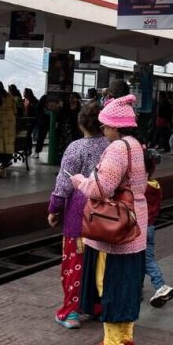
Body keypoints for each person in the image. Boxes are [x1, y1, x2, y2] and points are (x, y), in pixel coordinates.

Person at [72, 94, 147, 345]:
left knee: (111, 286)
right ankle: (126, 344)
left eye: (105, 126)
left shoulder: (117, 148)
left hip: (117, 231)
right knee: (127, 287)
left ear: (115, 126)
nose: (103, 130)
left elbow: (101, 188)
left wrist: (80, 181)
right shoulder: (135, 144)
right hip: (134, 225)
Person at [47, 102, 110, 329]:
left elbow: (64, 183)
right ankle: (97, 306)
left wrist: (54, 209)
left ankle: (70, 313)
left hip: (78, 216)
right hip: (105, 215)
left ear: (80, 123)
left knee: (75, 264)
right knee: (99, 264)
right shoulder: (111, 145)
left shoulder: (75, 148)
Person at [143, 148, 173, 309]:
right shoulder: (155, 186)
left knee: (147, 260)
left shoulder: (141, 188)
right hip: (150, 227)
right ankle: (137, 288)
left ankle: (161, 286)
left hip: (140, 229)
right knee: (142, 258)